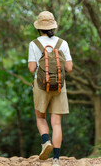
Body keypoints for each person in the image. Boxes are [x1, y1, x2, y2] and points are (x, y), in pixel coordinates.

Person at [28, 11, 73, 166]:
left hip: (41, 85)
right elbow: (69, 67)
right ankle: (56, 159)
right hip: (59, 86)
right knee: (57, 123)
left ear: (39, 27)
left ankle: (46, 141)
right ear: (53, 26)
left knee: (41, 117)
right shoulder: (63, 43)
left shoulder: (34, 44)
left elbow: (32, 68)